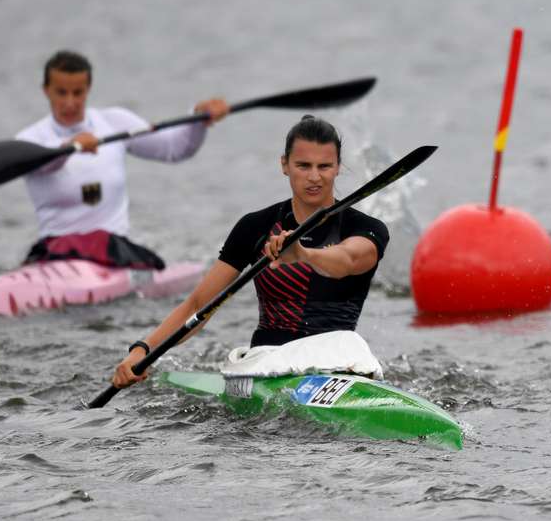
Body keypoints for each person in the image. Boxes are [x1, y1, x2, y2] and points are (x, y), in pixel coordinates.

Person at [110, 115, 389, 388]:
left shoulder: (365, 227)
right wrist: (142, 351)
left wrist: (303, 254)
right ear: (284, 165)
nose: (314, 177)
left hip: (339, 360)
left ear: (338, 167)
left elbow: (349, 260)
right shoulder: (255, 227)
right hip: (267, 363)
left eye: (324, 166)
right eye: (303, 165)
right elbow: (199, 307)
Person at [17, 50, 230, 269]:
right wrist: (69, 149)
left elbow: (174, 149)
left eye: (78, 92)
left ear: (88, 90)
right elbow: (43, 164)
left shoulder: (114, 122)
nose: (70, 102)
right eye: (61, 93)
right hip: (55, 250)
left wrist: (198, 119)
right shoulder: (29, 141)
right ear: (46, 91)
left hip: (113, 249)